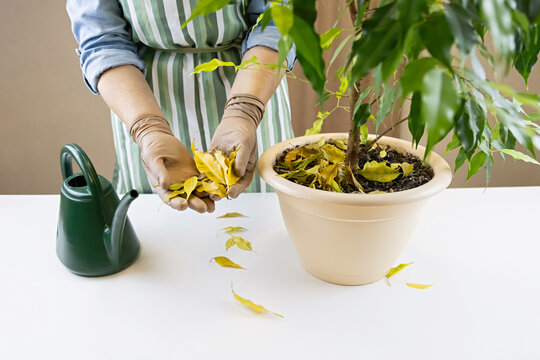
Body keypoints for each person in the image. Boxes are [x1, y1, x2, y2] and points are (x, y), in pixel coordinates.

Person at [66, 0, 296, 213]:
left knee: (264, 224)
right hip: (142, 96)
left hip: (252, 86)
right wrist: (148, 129)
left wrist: (244, 111)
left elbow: (278, 19)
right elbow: (102, 40)